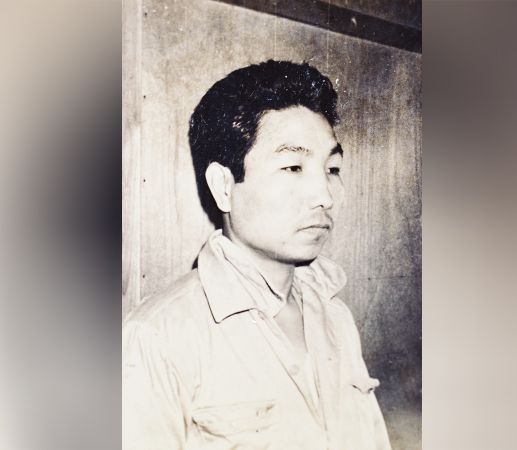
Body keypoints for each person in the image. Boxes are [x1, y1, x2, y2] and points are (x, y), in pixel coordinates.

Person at [122, 60, 391, 450]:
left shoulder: (335, 316)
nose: (325, 196)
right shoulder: (157, 336)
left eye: (332, 169)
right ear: (223, 186)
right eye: (293, 167)